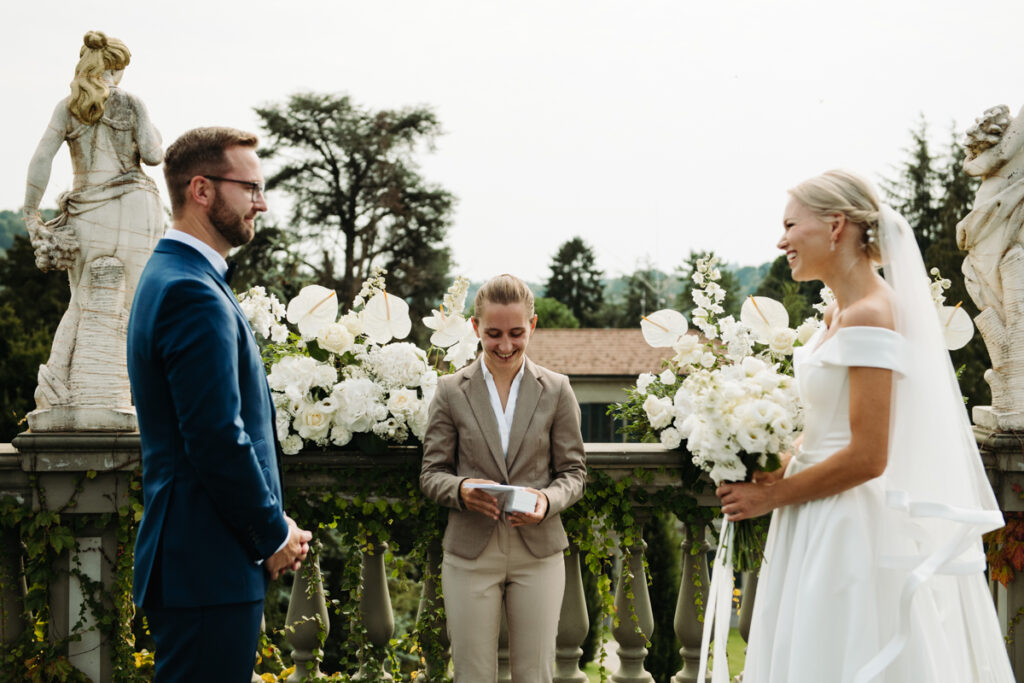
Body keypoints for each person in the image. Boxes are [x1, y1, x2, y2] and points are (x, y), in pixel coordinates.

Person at [716, 170, 1014, 682]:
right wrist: (779, 461)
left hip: (849, 523)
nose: (781, 240)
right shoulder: (838, 313)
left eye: (791, 225)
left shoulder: (872, 315)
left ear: (835, 226)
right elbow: (830, 423)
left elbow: (870, 454)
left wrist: (770, 499)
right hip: (811, 514)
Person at [127, 127, 312, 681]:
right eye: (249, 186)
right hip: (205, 563)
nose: (261, 201)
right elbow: (214, 437)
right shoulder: (191, 292)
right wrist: (272, 532)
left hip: (198, 562)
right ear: (201, 189)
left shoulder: (177, 276)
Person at [420, 274, 587, 682]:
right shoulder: (449, 390)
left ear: (532, 325)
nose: (506, 345)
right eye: (493, 334)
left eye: (516, 333)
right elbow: (431, 473)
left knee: (536, 675)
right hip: (469, 552)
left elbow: (574, 473)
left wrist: (547, 501)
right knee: (473, 675)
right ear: (475, 328)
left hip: (539, 552)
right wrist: (461, 490)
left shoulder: (558, 390)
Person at [23, 30, 164, 411]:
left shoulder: (68, 106)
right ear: (115, 69)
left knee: (82, 302)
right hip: (136, 206)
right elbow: (153, 155)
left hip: (90, 210)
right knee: (133, 308)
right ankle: (127, 395)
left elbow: (41, 159)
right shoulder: (132, 103)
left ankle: (55, 389)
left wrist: (30, 211)